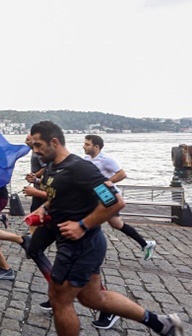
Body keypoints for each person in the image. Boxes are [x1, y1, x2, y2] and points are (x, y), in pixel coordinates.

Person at [28, 121, 182, 336]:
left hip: (80, 246)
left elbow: (115, 202)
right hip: (79, 245)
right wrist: (45, 208)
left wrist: (82, 225)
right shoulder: (53, 167)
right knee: (92, 298)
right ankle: (161, 323)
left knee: (59, 299)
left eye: (37, 145)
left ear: (54, 142)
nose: (34, 151)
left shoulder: (80, 168)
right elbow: (60, 196)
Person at [83, 134, 157, 260]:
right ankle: (145, 244)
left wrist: (105, 184)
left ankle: (88, 251)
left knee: (92, 221)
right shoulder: (86, 159)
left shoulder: (106, 160)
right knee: (116, 224)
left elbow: (122, 174)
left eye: (87, 144)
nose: (84, 146)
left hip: (108, 196)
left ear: (96, 146)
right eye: (84, 144)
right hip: (95, 197)